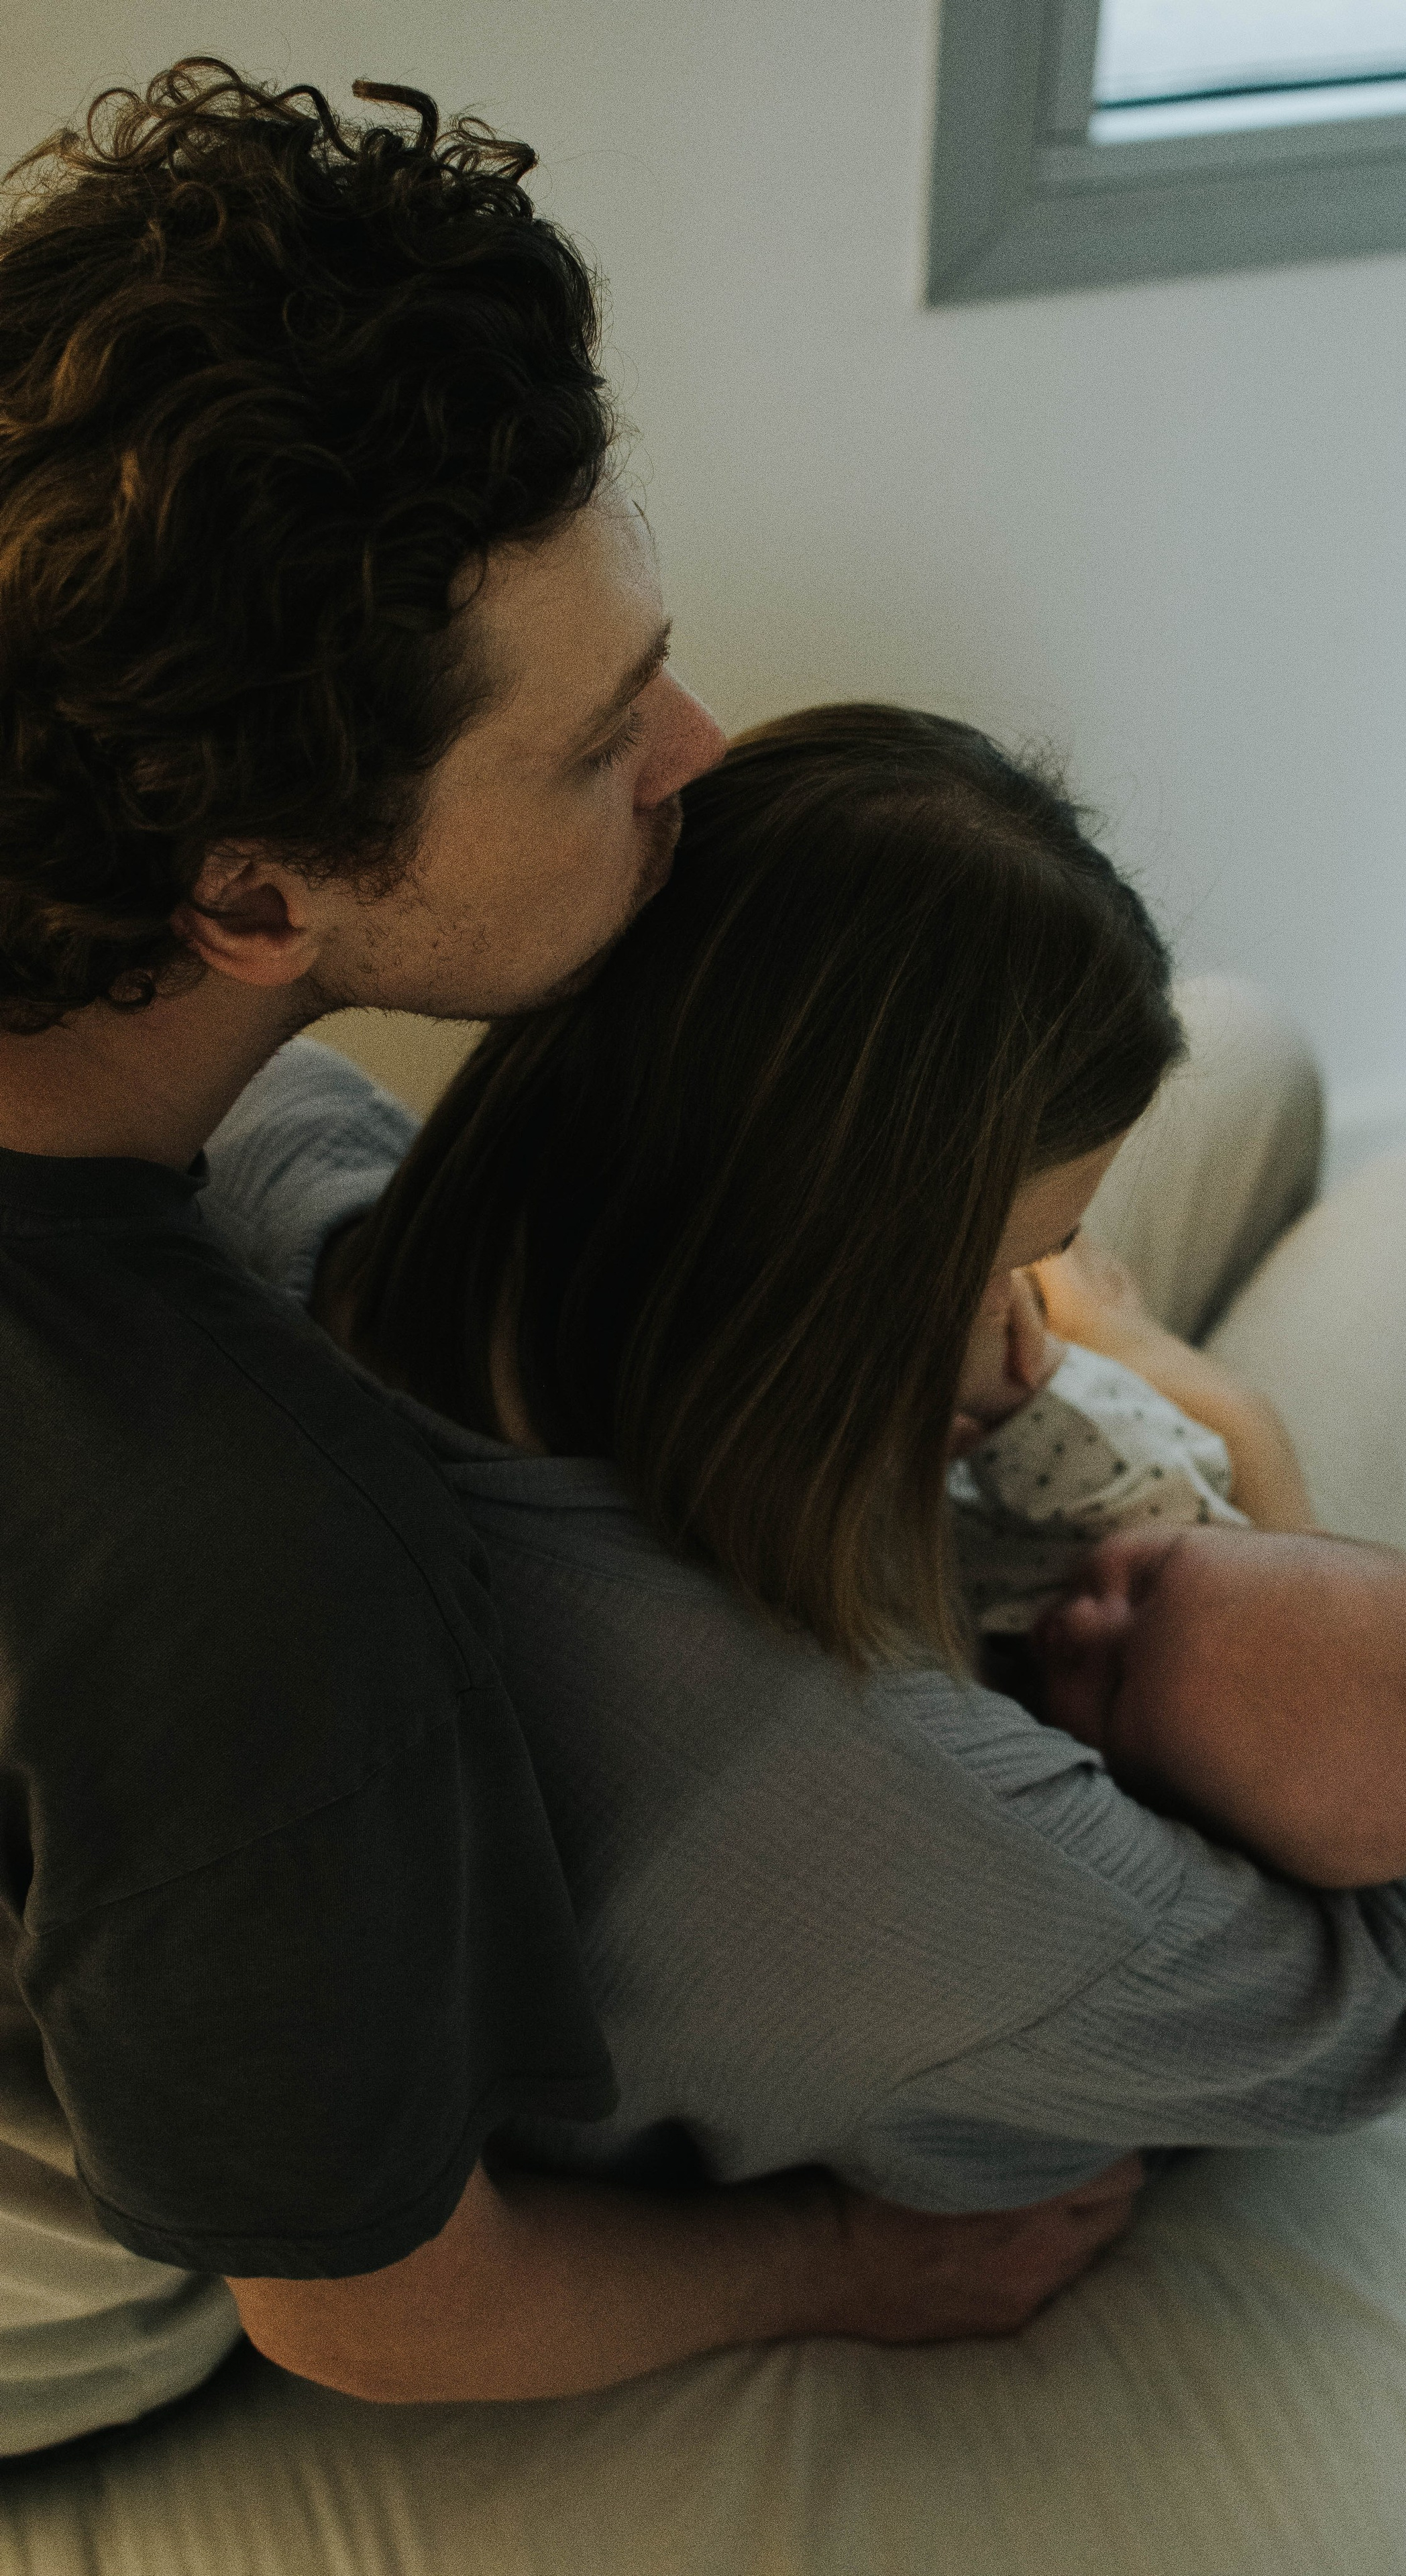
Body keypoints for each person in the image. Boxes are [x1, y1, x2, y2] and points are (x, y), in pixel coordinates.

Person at [0, 64, 1142, 2457]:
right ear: (248, 895)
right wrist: (851, 2263)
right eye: (601, 730)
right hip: (95, 2326)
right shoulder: (250, 1547)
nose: (701, 750)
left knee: (1199, 1082)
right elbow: (369, 2305)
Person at [199, 702, 1406, 2277]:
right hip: (957, 1952)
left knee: (1242, 1048)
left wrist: (1000, 1374)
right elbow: (1386, 1987)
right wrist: (1239, 1445)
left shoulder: (287, 1145)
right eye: (988, 1264)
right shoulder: (892, 1810)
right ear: (828, 1294)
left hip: (841, 1614)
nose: (1014, 1306)